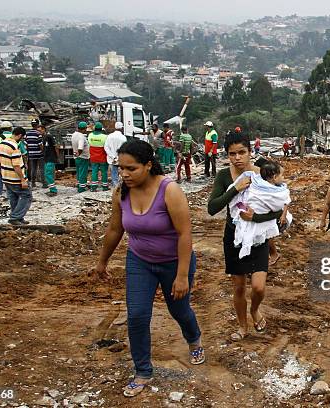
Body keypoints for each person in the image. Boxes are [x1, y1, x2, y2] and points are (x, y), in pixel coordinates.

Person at [94, 140, 204, 397]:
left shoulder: (170, 190)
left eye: (131, 168)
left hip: (174, 262)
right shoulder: (121, 192)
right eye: (120, 168)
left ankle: (194, 339)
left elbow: (185, 232)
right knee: (137, 316)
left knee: (179, 309)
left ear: (148, 165)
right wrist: (102, 261)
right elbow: (115, 229)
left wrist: (181, 276)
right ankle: (142, 370)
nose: (124, 174)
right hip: (139, 261)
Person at [208, 131, 282, 341]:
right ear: (227, 155)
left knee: (258, 287)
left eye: (242, 152)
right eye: (232, 154)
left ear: (250, 152)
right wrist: (234, 188)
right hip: (233, 238)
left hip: (258, 238)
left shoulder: (262, 175)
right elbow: (212, 208)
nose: (237, 158)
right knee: (239, 287)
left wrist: (256, 217)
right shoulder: (223, 176)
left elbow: (279, 210)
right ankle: (242, 327)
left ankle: (255, 310)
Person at [228, 160, 292, 259]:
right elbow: (244, 199)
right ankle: (267, 254)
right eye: (282, 175)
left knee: (261, 237)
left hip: (261, 219)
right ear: (274, 177)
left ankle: (269, 254)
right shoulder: (253, 185)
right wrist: (245, 209)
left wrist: (281, 214)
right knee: (259, 236)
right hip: (251, 216)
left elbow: (283, 201)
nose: (284, 178)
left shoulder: (276, 190)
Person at [0, 127, 32, 225]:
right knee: (27, 196)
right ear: (20, 135)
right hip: (15, 178)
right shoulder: (14, 147)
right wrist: (23, 179)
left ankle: (18, 218)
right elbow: (16, 165)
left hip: (6, 176)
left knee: (13, 197)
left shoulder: (3, 143)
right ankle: (15, 217)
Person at [105, 121, 127, 188]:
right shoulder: (123, 138)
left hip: (111, 159)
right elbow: (124, 150)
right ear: (121, 128)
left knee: (114, 172)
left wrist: (113, 157)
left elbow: (106, 147)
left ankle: (116, 187)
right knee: (123, 172)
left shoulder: (109, 136)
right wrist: (117, 157)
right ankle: (122, 186)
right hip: (121, 159)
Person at [88, 122, 109, 192]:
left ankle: (93, 187)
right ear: (101, 129)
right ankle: (105, 187)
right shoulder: (105, 137)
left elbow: (89, 145)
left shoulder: (90, 135)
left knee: (94, 172)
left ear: (95, 128)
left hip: (93, 157)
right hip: (102, 157)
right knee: (104, 172)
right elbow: (106, 147)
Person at [71, 121, 90, 193]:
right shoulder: (81, 136)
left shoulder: (74, 134)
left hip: (76, 157)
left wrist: (77, 154)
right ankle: (81, 188)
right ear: (83, 129)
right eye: (85, 129)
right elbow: (80, 147)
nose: (86, 130)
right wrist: (79, 154)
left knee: (79, 172)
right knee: (83, 173)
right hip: (83, 157)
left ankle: (79, 185)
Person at [25, 120, 45, 188]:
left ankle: (33, 183)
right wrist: (43, 151)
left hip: (31, 153)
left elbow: (26, 144)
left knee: (33, 168)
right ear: (37, 125)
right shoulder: (38, 133)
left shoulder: (27, 133)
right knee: (42, 168)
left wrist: (29, 151)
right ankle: (44, 183)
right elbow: (40, 144)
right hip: (39, 154)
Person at [42, 126, 59, 197]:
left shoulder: (49, 137)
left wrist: (57, 156)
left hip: (50, 158)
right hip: (47, 158)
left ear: (44, 130)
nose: (39, 132)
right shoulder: (44, 137)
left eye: (40, 130)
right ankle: (52, 189)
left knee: (48, 174)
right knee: (49, 174)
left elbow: (56, 146)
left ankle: (53, 190)